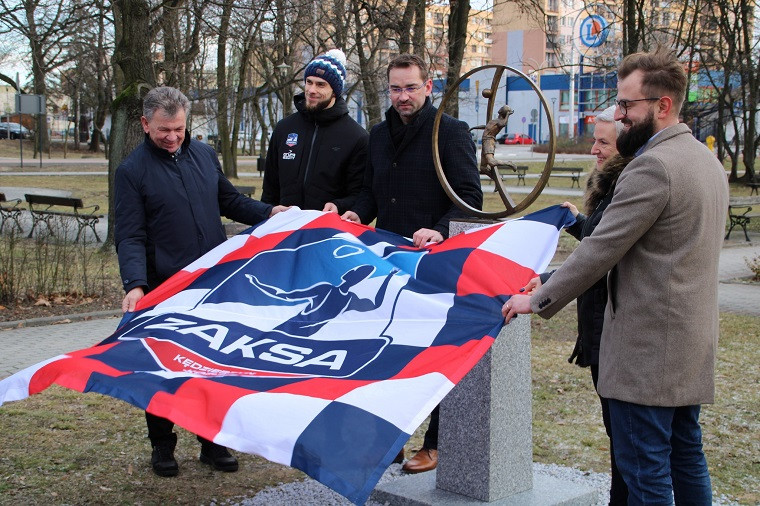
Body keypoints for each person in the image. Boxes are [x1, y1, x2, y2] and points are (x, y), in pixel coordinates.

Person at [503, 50, 728, 503]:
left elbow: (601, 248)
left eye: (627, 105)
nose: (620, 115)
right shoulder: (706, 161)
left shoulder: (652, 167)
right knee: (687, 458)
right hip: (688, 346)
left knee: (645, 477)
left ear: (662, 105)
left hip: (646, 354)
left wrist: (541, 297)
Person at [115, 86, 288, 478]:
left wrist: (271, 212)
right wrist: (135, 283)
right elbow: (129, 234)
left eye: (178, 128)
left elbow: (230, 202)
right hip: (164, 288)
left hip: (212, 285)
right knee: (163, 369)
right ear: (145, 124)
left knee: (211, 365)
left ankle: (212, 441)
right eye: (163, 130)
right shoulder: (131, 171)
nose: (172, 136)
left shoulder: (205, 155)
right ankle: (162, 446)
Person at [338, 53, 483, 473]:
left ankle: (436, 442)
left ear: (428, 87)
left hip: (437, 264)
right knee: (388, 353)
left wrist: (439, 229)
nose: (403, 96)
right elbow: (370, 194)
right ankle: (391, 439)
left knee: (436, 355)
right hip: (388, 264)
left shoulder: (450, 133)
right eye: (396, 88)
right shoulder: (378, 135)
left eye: (411, 87)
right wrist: (355, 215)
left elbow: (470, 198)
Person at [524, 105, 630, 504]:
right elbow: (602, 237)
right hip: (601, 330)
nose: (594, 150)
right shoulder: (613, 185)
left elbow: (604, 254)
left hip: (613, 330)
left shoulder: (629, 185)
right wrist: (576, 220)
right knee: (619, 433)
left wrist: (545, 285)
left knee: (627, 437)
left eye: (603, 142)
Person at [262, 49, 368, 215]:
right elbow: (269, 189)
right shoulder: (284, 128)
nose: (312, 90)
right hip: (285, 231)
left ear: (335, 90)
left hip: (328, 233)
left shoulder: (356, 137)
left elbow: (360, 195)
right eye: (309, 82)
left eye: (320, 84)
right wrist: (267, 214)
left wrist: (339, 205)